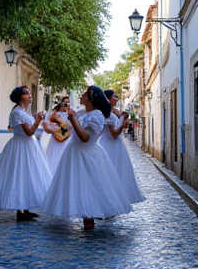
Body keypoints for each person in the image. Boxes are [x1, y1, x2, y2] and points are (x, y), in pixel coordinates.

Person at [41, 85, 132, 229]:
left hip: (87, 152)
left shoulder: (97, 115)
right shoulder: (83, 112)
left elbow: (85, 137)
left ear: (91, 97)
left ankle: (89, 216)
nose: (81, 95)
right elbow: (70, 129)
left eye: (84, 93)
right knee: (78, 184)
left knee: (89, 184)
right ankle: (85, 215)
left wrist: (73, 119)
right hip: (75, 151)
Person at [0, 86, 52, 222]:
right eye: (27, 93)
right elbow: (29, 132)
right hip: (21, 147)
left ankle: (25, 208)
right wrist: (38, 120)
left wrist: (38, 120)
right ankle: (20, 210)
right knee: (19, 176)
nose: (30, 95)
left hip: (28, 146)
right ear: (21, 96)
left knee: (28, 176)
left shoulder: (24, 112)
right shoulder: (17, 113)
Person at [99, 89, 145, 204]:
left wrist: (124, 117)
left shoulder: (114, 111)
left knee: (118, 173)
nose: (117, 98)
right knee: (111, 173)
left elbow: (121, 116)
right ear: (108, 98)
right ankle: (108, 201)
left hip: (117, 146)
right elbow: (113, 134)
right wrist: (122, 126)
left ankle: (115, 200)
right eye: (114, 96)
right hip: (110, 145)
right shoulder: (107, 113)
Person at [42, 102, 72, 175]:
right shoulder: (54, 115)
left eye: (66, 106)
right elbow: (46, 125)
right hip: (55, 139)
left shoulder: (70, 115)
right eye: (64, 106)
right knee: (53, 157)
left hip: (66, 138)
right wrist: (54, 131)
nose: (65, 108)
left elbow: (71, 127)